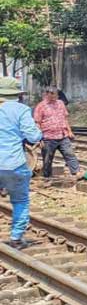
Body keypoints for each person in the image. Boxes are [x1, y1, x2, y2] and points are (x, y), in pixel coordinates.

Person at [0, 77, 42, 249]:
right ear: (18, 94)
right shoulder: (21, 110)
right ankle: (16, 237)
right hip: (13, 164)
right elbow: (33, 136)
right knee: (20, 201)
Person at [33, 87, 80, 179]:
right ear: (47, 94)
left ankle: (76, 172)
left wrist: (69, 131)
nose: (56, 96)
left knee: (69, 154)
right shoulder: (40, 106)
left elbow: (65, 118)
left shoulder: (60, 103)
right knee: (47, 159)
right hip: (48, 137)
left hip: (62, 135)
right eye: (53, 94)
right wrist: (39, 138)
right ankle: (47, 177)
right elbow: (37, 123)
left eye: (56, 94)